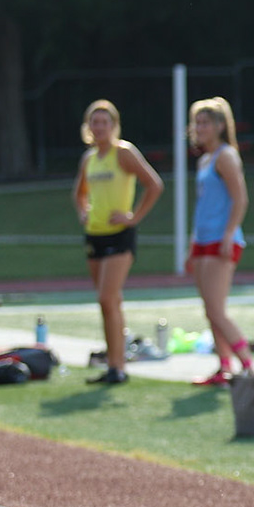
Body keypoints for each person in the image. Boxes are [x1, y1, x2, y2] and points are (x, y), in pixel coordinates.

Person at [74, 99, 164, 386]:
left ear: (114, 126)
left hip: (119, 235)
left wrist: (133, 217)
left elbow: (154, 184)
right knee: (109, 304)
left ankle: (117, 365)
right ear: (88, 127)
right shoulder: (89, 159)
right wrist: (83, 212)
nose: (99, 127)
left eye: (104, 122)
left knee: (106, 298)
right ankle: (116, 364)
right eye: (94, 122)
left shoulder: (123, 153)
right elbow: (78, 194)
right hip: (95, 234)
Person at [186, 97, 253, 386]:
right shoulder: (204, 159)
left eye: (204, 123)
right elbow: (203, 205)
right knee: (208, 308)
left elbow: (240, 198)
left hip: (221, 240)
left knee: (216, 309)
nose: (199, 128)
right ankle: (224, 367)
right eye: (196, 122)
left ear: (219, 126)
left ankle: (249, 366)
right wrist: (192, 244)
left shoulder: (226, 156)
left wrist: (228, 235)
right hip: (203, 240)